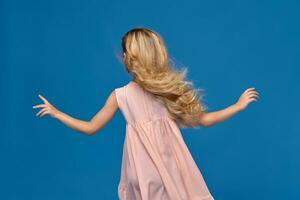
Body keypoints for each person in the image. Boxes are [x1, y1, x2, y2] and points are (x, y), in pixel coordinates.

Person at [32, 27, 259, 200]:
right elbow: (205, 121)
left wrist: (57, 113)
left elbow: (91, 127)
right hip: (170, 172)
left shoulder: (121, 95)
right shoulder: (169, 90)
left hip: (141, 174)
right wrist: (236, 106)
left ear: (127, 57)